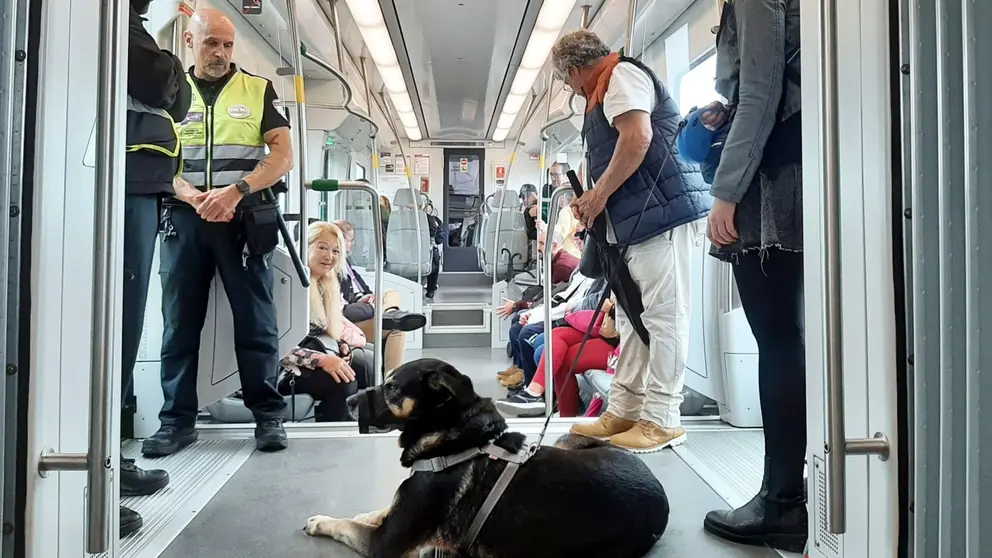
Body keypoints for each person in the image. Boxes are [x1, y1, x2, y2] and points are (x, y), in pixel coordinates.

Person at [142, 8, 294, 458]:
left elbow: (283, 155)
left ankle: (268, 416)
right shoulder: (168, 91)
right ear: (190, 41)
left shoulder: (257, 89)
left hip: (242, 217)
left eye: (227, 45)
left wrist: (235, 191)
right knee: (179, 324)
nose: (221, 53)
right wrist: (193, 196)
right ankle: (176, 422)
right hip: (184, 218)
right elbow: (156, 157)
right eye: (212, 43)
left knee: (256, 321)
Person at [554, 29, 712, 453]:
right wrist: (594, 199)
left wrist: (598, 193)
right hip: (633, 222)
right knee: (631, 318)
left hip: (662, 215)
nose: (572, 89)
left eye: (568, 82)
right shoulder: (605, 90)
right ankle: (625, 408)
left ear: (573, 72)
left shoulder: (621, 77)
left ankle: (663, 418)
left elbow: (638, 138)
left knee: (663, 317)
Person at [700, 0, 806, 552]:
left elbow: (763, 93)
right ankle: (788, 492)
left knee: (778, 339)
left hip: (773, 179)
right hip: (790, 162)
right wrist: (729, 107)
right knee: (789, 338)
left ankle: (783, 501)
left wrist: (726, 191)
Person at [120, 0, 192, 538]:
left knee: (120, 333)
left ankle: (107, 459)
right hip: (119, 189)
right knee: (115, 332)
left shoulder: (130, 31)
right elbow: (166, 86)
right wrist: (174, 54)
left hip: (138, 189)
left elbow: (178, 103)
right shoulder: (116, 29)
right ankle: (97, 470)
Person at [277, 222, 372, 421]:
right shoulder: (287, 285)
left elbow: (323, 331)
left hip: (311, 355)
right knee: (344, 381)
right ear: (306, 246)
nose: (329, 257)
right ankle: (331, 432)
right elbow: (274, 348)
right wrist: (322, 360)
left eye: (336, 251)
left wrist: (341, 346)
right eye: (322, 247)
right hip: (282, 369)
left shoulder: (325, 285)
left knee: (368, 367)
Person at [332, 220, 427, 375]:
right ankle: (391, 377)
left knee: (391, 293)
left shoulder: (346, 263)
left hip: (357, 304)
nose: (351, 245)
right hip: (347, 323)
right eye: (349, 240)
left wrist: (365, 297)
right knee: (397, 329)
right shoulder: (333, 269)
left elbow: (360, 289)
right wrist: (371, 307)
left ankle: (390, 312)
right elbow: (342, 310)